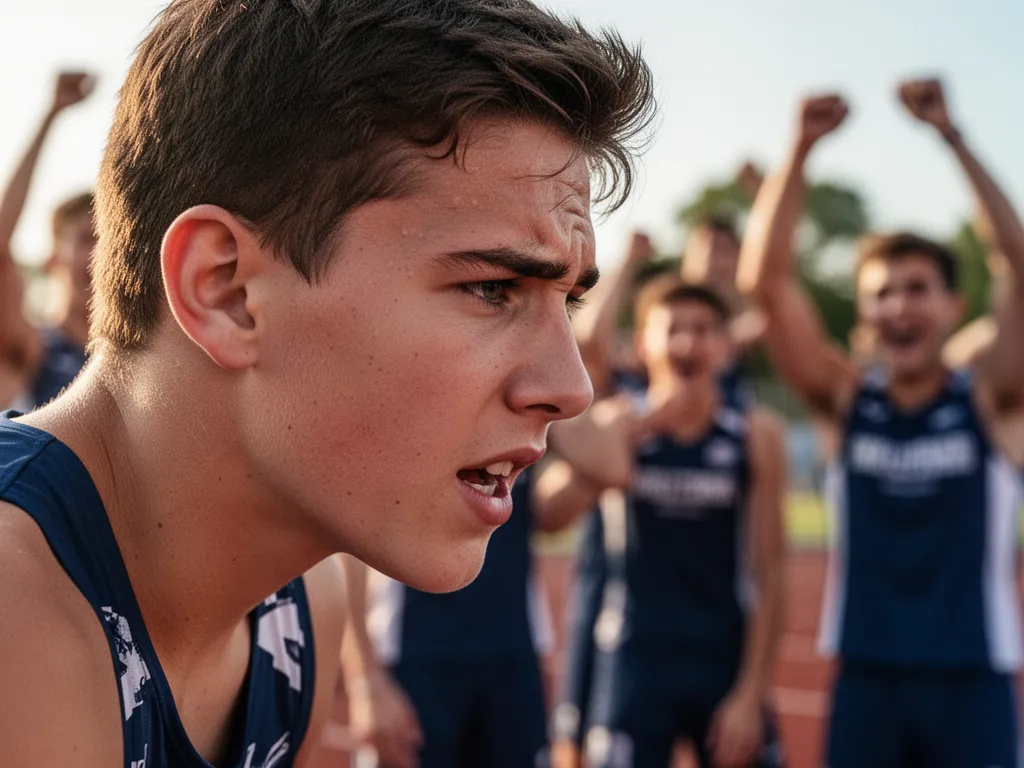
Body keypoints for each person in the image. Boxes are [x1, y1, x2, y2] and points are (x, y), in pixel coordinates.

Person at [0, 1, 656, 767]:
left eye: (567, 302)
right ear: (227, 291)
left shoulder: (305, 603)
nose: (571, 388)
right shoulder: (16, 614)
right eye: (493, 288)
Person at [738, 81, 1024, 767]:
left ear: (955, 305)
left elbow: (1017, 264)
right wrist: (799, 150)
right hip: (866, 679)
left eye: (917, 288)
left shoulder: (990, 396)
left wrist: (953, 137)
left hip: (973, 680)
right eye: (881, 293)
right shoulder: (844, 402)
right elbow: (766, 283)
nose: (899, 306)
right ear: (864, 315)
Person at [553, 279, 788, 768]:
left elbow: (770, 571)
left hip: (721, 655)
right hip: (635, 656)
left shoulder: (754, 435)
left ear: (726, 346)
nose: (687, 342)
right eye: (672, 329)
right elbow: (549, 515)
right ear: (643, 345)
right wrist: (618, 449)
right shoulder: (619, 421)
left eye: (703, 330)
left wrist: (752, 694)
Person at [342, 462, 602, 768]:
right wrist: (366, 680)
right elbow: (350, 536)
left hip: (512, 656)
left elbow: (557, 505)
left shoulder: (524, 421)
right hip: (414, 660)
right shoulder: (400, 423)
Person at [0, 72, 96, 409]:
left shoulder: (141, 355)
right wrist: (50, 115)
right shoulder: (33, 349)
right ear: (53, 258)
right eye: (86, 239)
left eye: (107, 241)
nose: (100, 255)